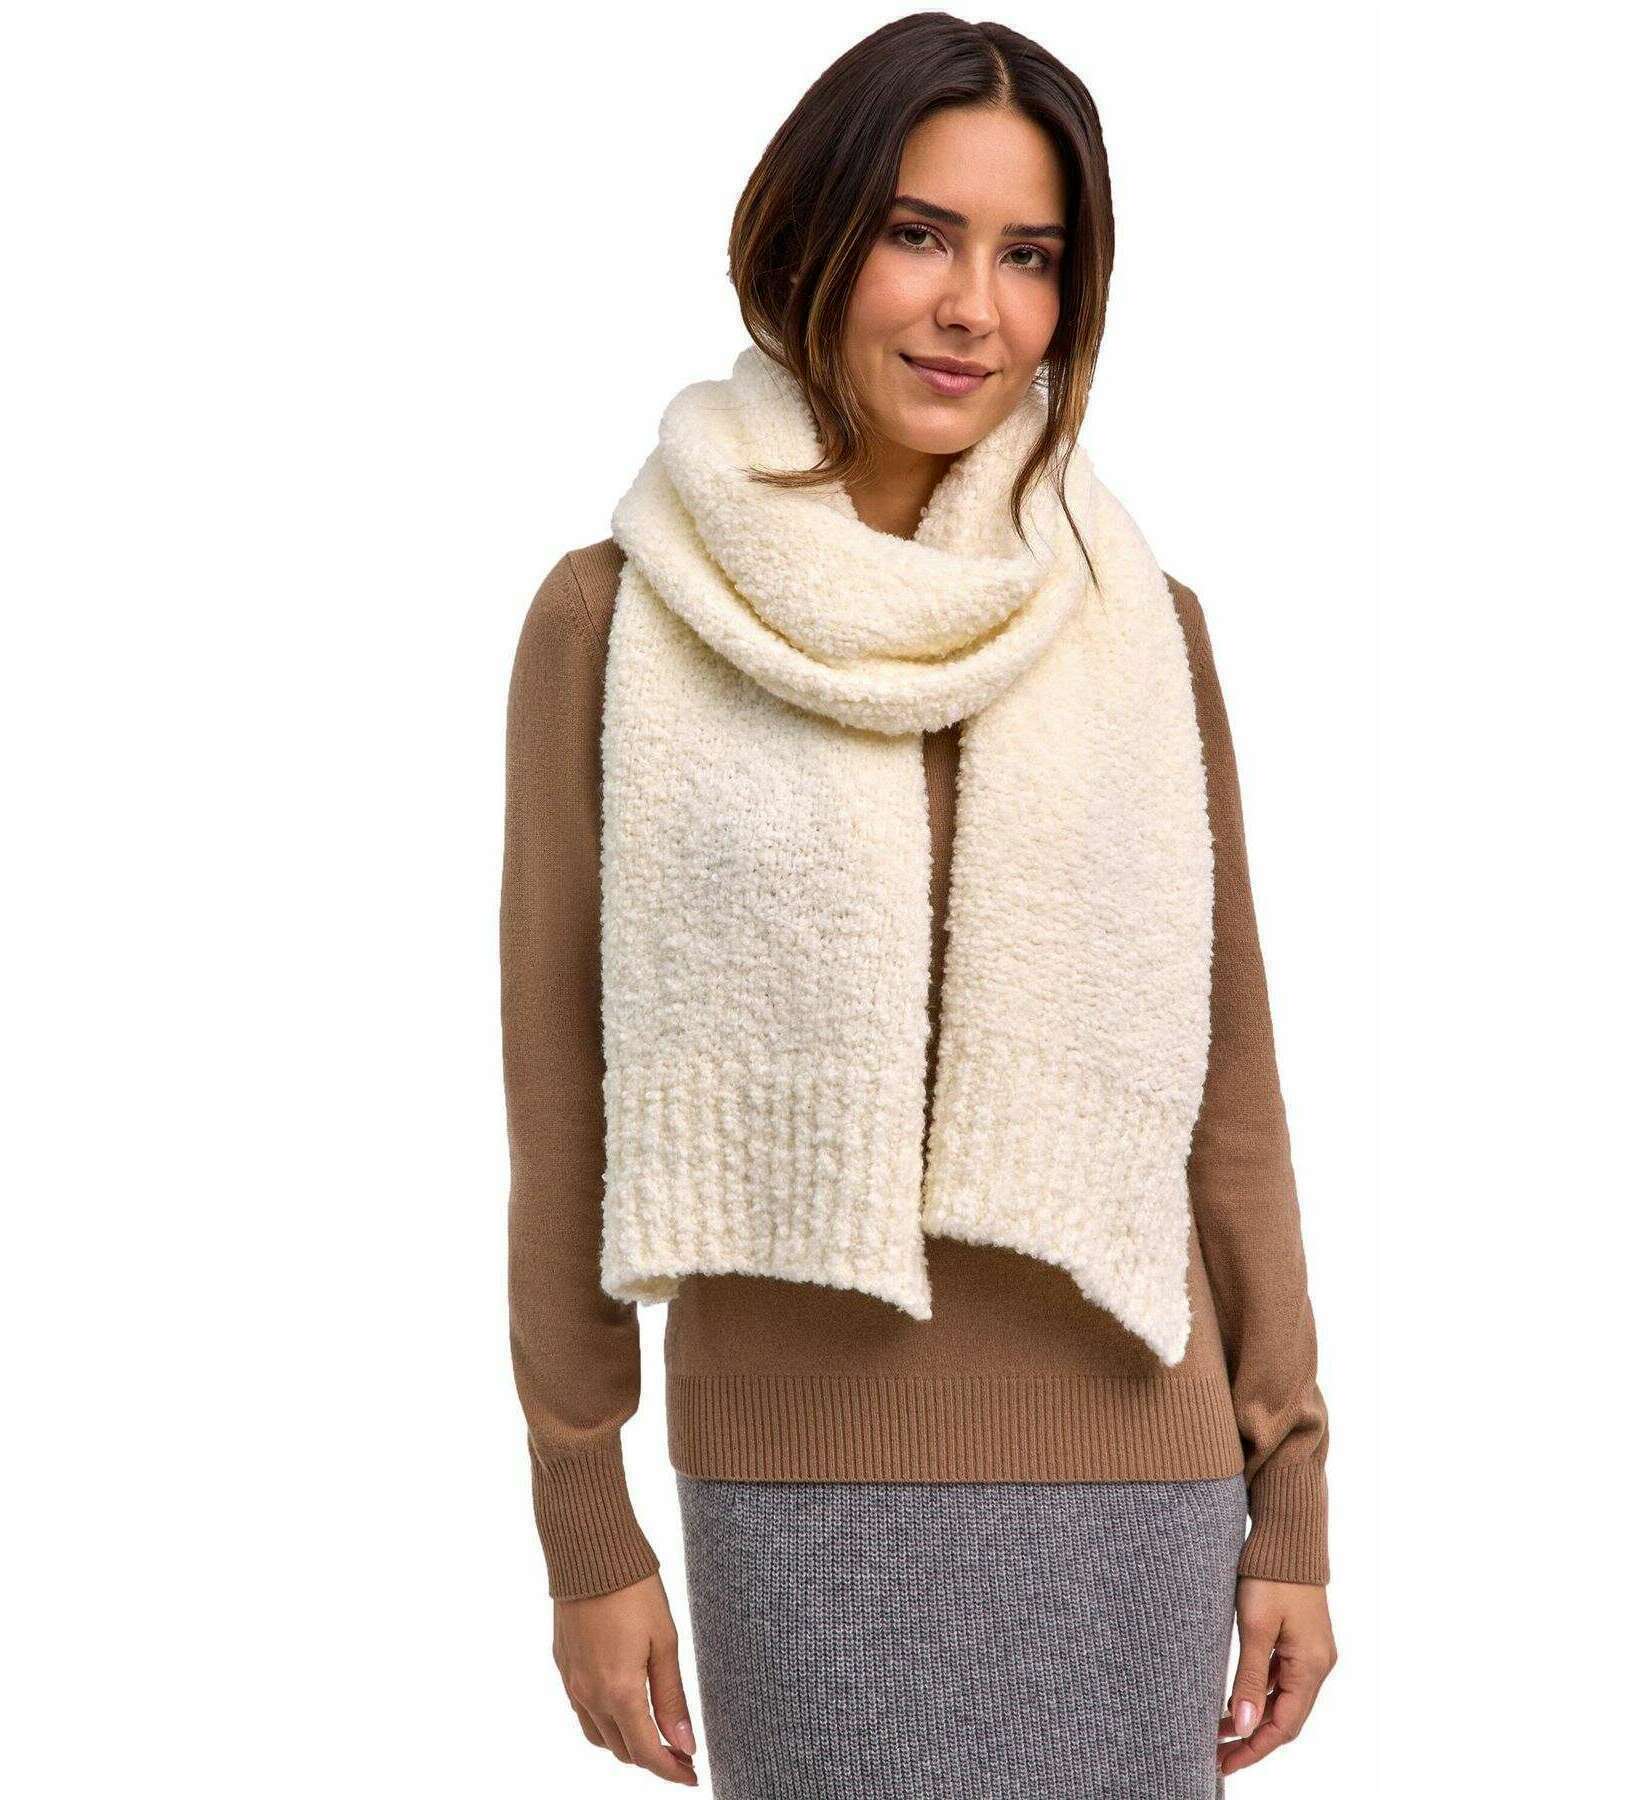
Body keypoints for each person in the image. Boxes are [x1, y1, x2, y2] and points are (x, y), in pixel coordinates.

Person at [501, 14, 1335, 1795]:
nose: (975, 308)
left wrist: (1294, 1498)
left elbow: (1233, 1098)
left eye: (1031, 256)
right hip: (793, 1483)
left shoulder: (1136, 622)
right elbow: (563, 1103)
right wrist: (586, 1519)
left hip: (1141, 1471)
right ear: (806, 235)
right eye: (918, 234)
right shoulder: (616, 619)